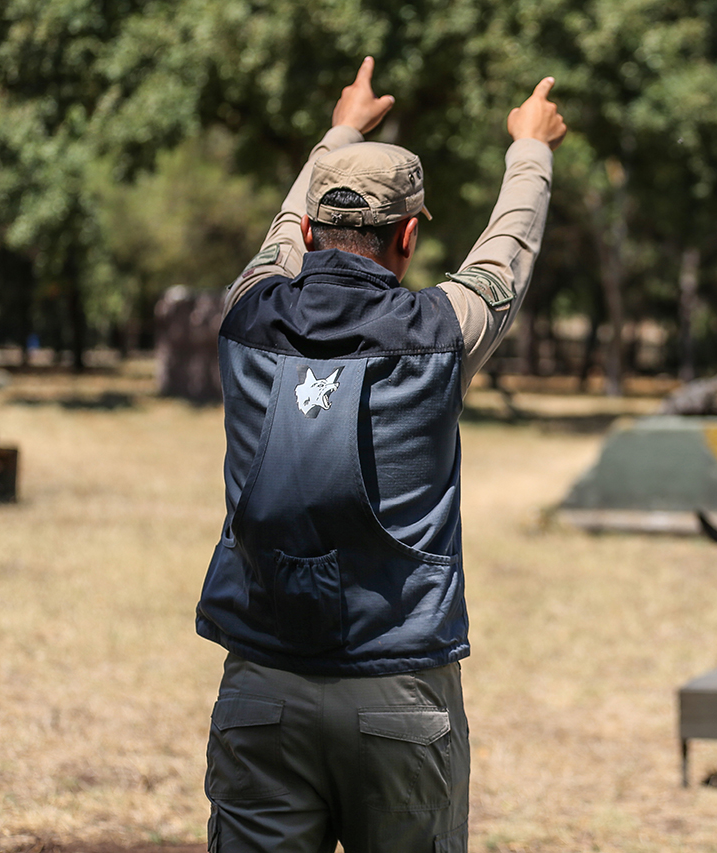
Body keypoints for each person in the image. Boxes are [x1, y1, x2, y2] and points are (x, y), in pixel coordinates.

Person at [194, 56, 567, 853]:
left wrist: (340, 134)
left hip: (261, 686)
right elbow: (507, 254)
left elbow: (281, 232)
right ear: (408, 236)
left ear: (307, 233)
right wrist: (530, 149)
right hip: (400, 694)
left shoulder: (247, 310)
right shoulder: (443, 331)